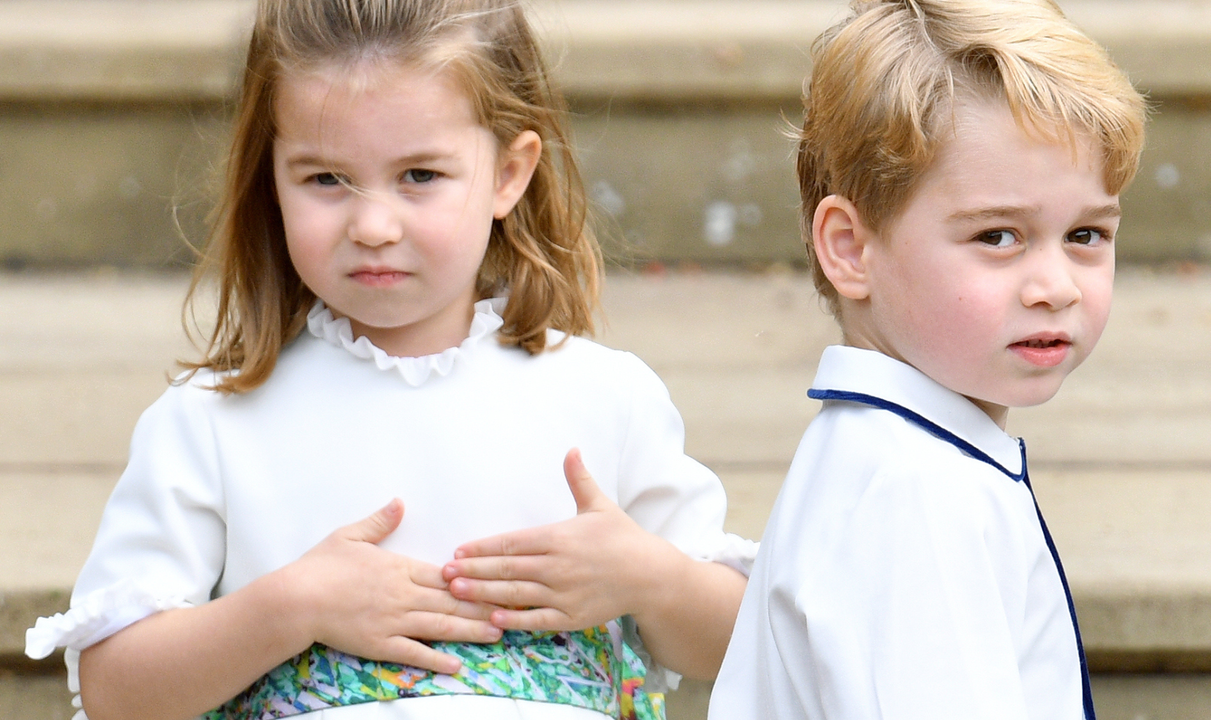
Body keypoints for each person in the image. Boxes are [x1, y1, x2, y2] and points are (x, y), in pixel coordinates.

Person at [24, 1, 752, 719]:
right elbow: (116, 690)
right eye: (325, 180)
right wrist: (292, 605)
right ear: (269, 178)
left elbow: (744, 642)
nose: (372, 225)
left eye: (420, 176)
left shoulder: (604, 396)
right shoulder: (213, 421)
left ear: (508, 173)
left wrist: (650, 581)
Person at [708, 0, 1146, 718]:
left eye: (1087, 234)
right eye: (999, 236)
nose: (1056, 287)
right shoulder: (915, 494)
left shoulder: (897, 459)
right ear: (851, 248)